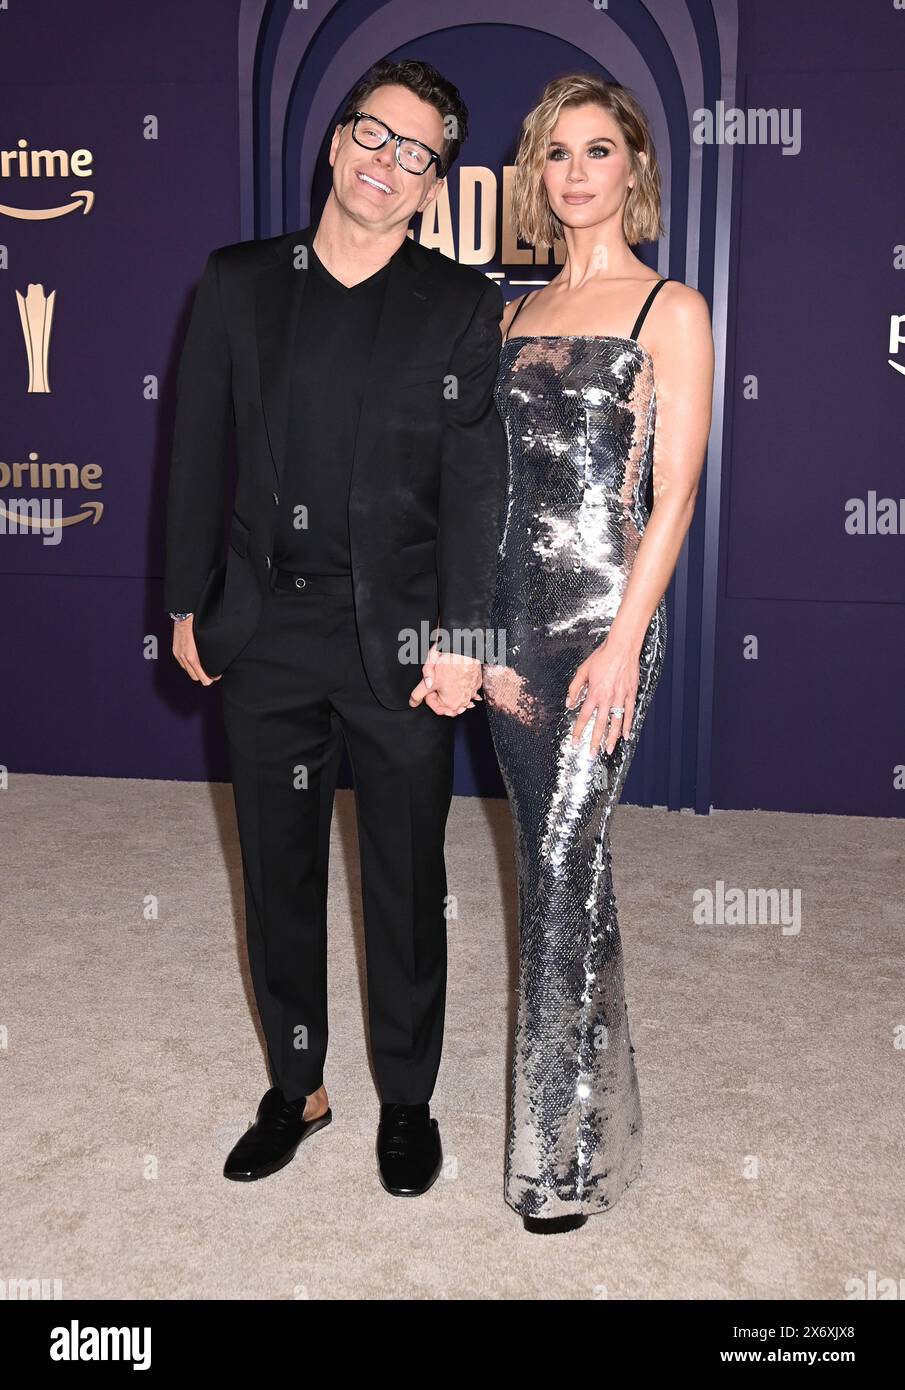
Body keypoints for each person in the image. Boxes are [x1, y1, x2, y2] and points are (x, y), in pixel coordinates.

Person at [164, 58, 508, 1195]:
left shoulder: (459, 304)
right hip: (266, 632)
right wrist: (183, 600)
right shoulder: (238, 281)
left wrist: (467, 638)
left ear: (433, 184)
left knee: (405, 877)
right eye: (374, 133)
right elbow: (195, 452)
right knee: (277, 873)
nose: (386, 162)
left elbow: (476, 488)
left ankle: (404, 1101)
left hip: (404, 646)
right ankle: (297, 1085)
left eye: (417, 152)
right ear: (335, 141)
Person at [482, 74, 713, 1233]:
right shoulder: (509, 313)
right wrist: (474, 640)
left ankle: (557, 1159)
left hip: (602, 627)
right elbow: (483, 494)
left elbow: (671, 501)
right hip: (512, 633)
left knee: (565, 861)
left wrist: (624, 641)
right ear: (538, 174)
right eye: (556, 154)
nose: (576, 172)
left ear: (632, 169)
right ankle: (605, 1113)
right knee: (555, 866)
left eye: (597, 151)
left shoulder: (668, 309)